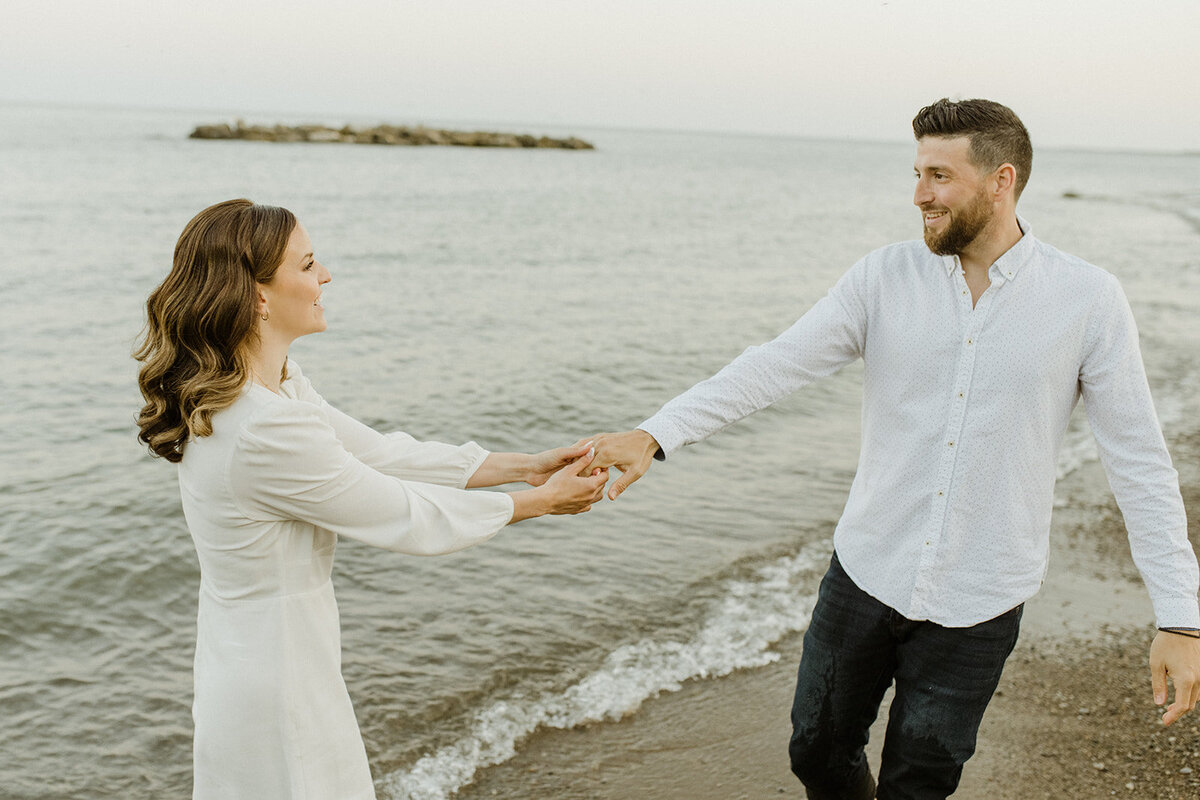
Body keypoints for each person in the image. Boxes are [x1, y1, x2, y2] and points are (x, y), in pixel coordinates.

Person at [584, 98, 1200, 799]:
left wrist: (1180, 617)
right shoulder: (882, 277)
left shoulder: (1087, 299)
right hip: (865, 574)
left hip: (980, 598)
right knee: (816, 753)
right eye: (916, 173)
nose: (919, 195)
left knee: (920, 782)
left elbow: (1139, 461)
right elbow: (773, 365)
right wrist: (656, 434)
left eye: (938, 175)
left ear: (1001, 181)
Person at [134, 198, 608, 800]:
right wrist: (535, 503)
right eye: (308, 265)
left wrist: (527, 466)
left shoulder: (270, 387)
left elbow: (380, 454)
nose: (326, 276)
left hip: (254, 652)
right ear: (257, 295)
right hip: (277, 677)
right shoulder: (263, 427)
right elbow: (400, 514)